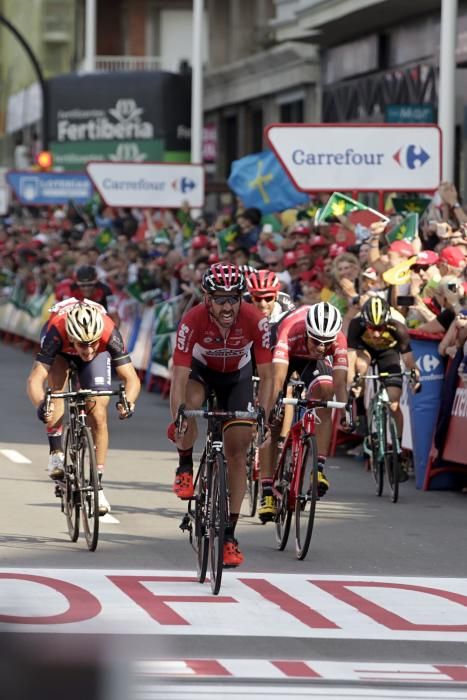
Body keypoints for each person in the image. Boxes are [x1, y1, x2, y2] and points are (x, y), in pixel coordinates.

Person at [168, 263, 274, 568]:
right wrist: (179, 418)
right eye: (220, 299)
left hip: (237, 378)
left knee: (238, 452)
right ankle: (185, 465)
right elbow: (178, 378)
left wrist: (263, 416)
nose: (227, 306)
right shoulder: (192, 321)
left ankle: (228, 535)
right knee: (190, 403)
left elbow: (267, 377)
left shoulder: (256, 319)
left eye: (234, 298)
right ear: (207, 298)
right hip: (200, 375)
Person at [26, 299, 141, 515]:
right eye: (82, 344)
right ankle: (56, 452)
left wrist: (129, 401)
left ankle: (97, 486)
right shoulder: (57, 332)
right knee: (56, 391)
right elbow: (34, 380)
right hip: (61, 353)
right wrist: (42, 404)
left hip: (97, 356)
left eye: (93, 344)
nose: (88, 350)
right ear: (72, 337)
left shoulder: (108, 332)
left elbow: (131, 379)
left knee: (97, 414)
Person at [269, 302, 350, 505]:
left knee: (326, 393)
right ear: (308, 333)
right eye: (316, 341)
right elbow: (277, 380)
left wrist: (345, 411)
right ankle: (267, 487)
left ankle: (318, 469)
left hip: (310, 362)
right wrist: (275, 404)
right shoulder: (291, 330)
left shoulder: (338, 339)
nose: (322, 348)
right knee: (274, 411)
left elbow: (340, 382)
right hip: (289, 349)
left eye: (327, 342)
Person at [347, 296, 421, 479]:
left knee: (394, 402)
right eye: (371, 328)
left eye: (380, 328)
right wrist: (353, 383)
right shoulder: (356, 324)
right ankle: (363, 418)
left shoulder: (398, 326)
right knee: (361, 368)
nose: (377, 333)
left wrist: (415, 378)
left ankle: (397, 448)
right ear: (365, 322)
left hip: (389, 352)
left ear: (387, 322)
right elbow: (350, 359)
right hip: (365, 350)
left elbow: (409, 360)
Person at [244, 269, 296, 522]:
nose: (263, 303)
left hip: (275, 354)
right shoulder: (241, 306)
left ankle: (277, 439)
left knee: (281, 394)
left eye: (268, 298)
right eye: (257, 298)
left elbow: (287, 347)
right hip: (249, 353)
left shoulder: (287, 308)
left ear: (277, 294)